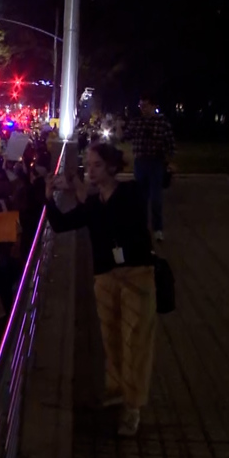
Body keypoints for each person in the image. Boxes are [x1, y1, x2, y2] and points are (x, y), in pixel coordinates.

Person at [44, 143, 156, 436]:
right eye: (87, 165)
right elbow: (61, 224)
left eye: (95, 165)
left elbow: (118, 222)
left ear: (111, 167)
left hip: (136, 276)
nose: (89, 170)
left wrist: (82, 194)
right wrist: (49, 197)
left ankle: (133, 407)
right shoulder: (93, 204)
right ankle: (116, 388)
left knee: (135, 341)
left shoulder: (130, 194)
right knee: (111, 339)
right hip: (105, 277)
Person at [124, 94, 175, 241]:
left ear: (153, 106)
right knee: (141, 197)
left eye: (145, 106)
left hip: (156, 162)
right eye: (140, 106)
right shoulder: (137, 122)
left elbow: (170, 143)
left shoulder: (162, 123)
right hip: (141, 162)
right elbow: (125, 136)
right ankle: (141, 227)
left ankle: (158, 228)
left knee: (156, 198)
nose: (142, 109)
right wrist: (117, 129)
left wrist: (170, 161)